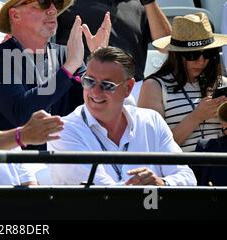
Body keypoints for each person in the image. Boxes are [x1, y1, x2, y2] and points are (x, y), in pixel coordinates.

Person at [0, 0, 111, 149]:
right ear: (15, 15)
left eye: (55, 3)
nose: (53, 10)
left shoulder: (65, 55)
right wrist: (69, 68)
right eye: (43, 3)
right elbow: (22, 114)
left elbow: (97, 108)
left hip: (63, 161)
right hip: (12, 165)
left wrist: (99, 60)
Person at [48, 46, 197, 186]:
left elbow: (187, 176)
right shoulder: (61, 131)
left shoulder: (151, 120)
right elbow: (99, 195)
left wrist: (162, 183)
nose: (95, 92)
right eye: (89, 81)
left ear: (129, 87)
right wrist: (147, 188)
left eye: (107, 85)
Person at [138, 12, 227, 152]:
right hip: (182, 170)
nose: (201, 61)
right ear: (175, 54)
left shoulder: (223, 83)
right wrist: (196, 117)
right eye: (193, 54)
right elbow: (151, 147)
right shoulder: (154, 87)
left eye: (208, 53)